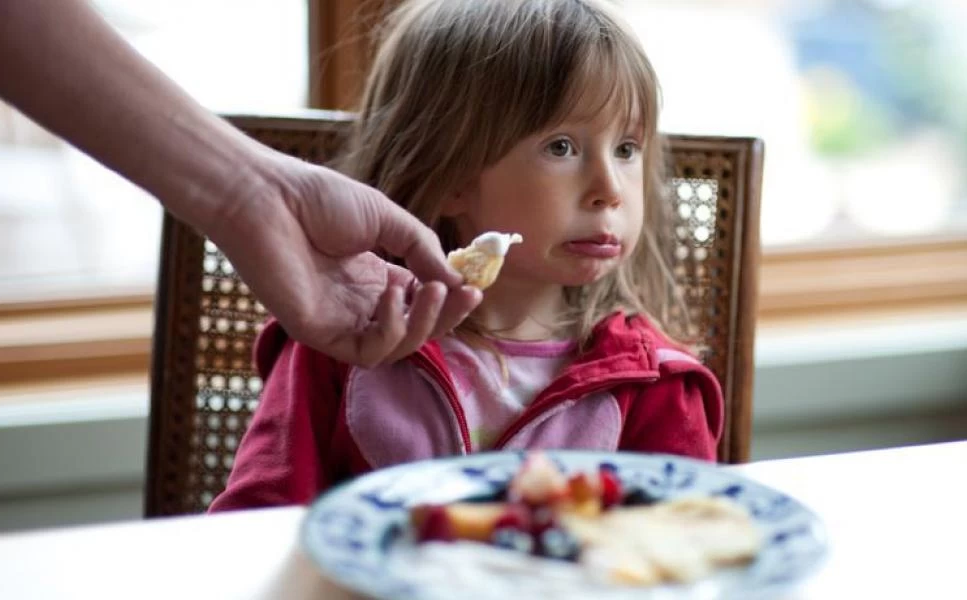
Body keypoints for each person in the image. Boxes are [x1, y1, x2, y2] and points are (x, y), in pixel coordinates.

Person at [209, 0, 724, 512]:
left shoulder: (657, 385)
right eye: (562, 147)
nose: (609, 190)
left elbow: (688, 549)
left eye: (627, 148)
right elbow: (259, 527)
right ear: (452, 175)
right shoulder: (342, 344)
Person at [0, 0, 481, 367]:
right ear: (454, 179)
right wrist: (251, 195)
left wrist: (252, 195)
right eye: (557, 148)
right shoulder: (338, 362)